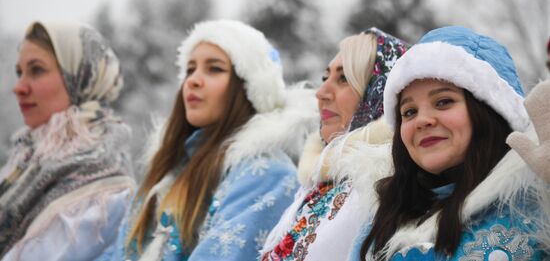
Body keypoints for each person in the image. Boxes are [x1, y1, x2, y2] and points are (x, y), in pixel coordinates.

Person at [99, 19, 317, 261]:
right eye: (190, 69)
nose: (192, 80)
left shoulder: (268, 174)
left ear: (251, 87)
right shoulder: (172, 168)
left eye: (214, 69)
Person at [354, 26, 550, 260]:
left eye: (443, 101)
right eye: (409, 112)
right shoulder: (383, 215)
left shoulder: (537, 205)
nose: (422, 121)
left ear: (489, 110)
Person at [261, 28, 408, 261]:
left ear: (379, 92)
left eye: (344, 79)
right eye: (324, 78)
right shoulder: (317, 181)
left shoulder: (379, 186)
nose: (321, 93)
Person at [0, 21, 135, 260]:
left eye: (37, 70)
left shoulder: (103, 186)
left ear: (81, 77)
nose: (19, 87)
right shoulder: (27, 158)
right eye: (19, 72)